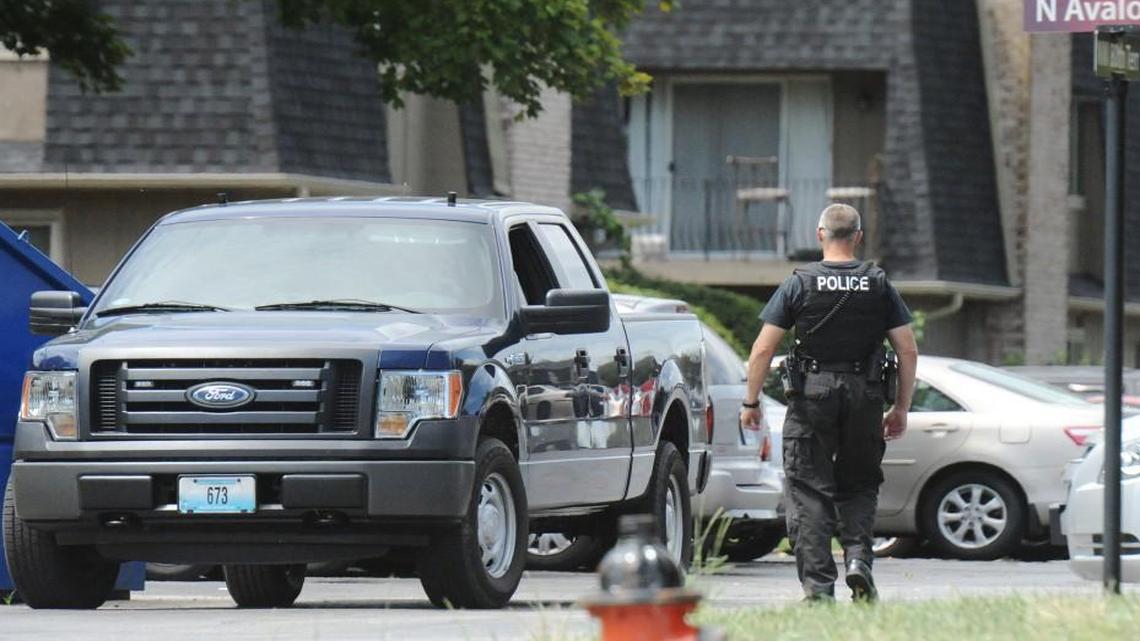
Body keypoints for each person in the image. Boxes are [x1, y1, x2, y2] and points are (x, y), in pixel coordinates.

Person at [740, 203, 918, 603]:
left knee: (808, 489)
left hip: (812, 394)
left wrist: (751, 401)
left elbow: (763, 348)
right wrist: (901, 407)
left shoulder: (800, 282)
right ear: (858, 237)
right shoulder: (878, 283)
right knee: (858, 485)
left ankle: (819, 589)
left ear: (819, 234)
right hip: (865, 393)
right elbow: (907, 350)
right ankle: (858, 561)